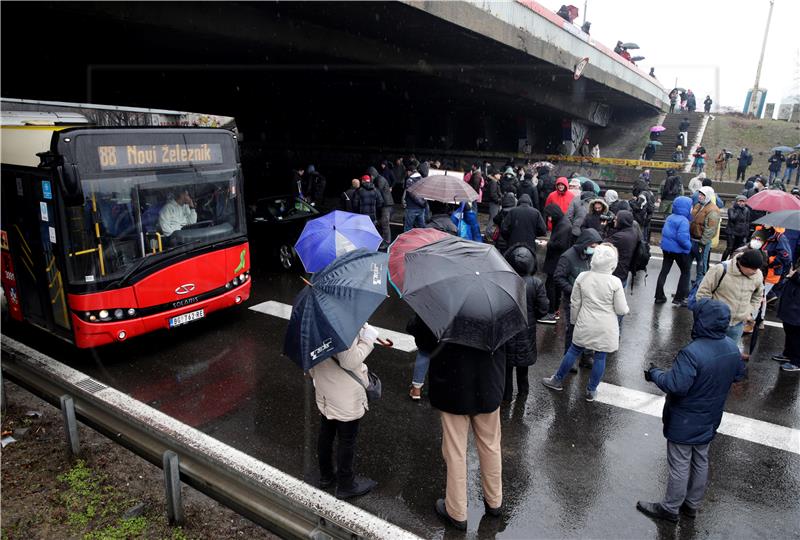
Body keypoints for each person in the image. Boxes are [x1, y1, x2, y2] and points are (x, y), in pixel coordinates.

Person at [636, 299, 746, 523]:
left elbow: (676, 385)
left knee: (679, 463)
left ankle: (670, 508)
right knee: (701, 460)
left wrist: (655, 373)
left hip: (685, 418)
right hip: (711, 416)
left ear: (702, 320)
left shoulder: (692, 353)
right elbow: (738, 375)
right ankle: (691, 505)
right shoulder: (731, 347)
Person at [430, 342, 505, 530]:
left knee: (455, 451)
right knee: (491, 446)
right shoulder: (498, 312)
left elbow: (424, 339)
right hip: (489, 379)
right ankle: (494, 501)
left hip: (452, 382)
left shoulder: (444, 311)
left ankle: (456, 511)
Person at [541, 243, 629, 401]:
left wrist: (574, 322)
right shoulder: (615, 282)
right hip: (606, 326)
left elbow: (575, 303)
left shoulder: (583, 277)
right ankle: (591, 390)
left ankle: (557, 379)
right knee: (600, 357)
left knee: (573, 351)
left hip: (585, 322)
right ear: (612, 263)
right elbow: (622, 309)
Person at [310, 324, 380, 498]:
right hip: (346, 394)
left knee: (326, 432)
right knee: (347, 439)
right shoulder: (341, 324)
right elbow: (349, 361)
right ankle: (346, 485)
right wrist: (368, 338)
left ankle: (326, 476)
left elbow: (310, 363)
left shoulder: (311, 324)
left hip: (325, 389)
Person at [502, 243, 549, 401]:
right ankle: (523, 394)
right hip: (526, 329)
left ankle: (506, 397)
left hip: (507, 330)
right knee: (523, 368)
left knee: (506, 368)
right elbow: (543, 308)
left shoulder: (505, 280)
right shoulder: (536, 283)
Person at [696, 249, 763, 351]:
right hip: (715, 323)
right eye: (753, 269)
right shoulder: (721, 269)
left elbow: (758, 296)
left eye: (757, 269)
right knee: (708, 352)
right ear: (742, 264)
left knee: (728, 354)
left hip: (737, 325)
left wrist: (748, 311)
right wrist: (710, 315)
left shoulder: (757, 274)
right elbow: (703, 293)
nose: (755, 271)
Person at [554, 228, 603, 357]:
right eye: (592, 246)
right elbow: (558, 277)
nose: (594, 249)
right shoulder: (568, 257)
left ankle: (586, 356)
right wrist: (574, 290)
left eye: (596, 246)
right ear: (585, 243)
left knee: (589, 329)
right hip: (572, 300)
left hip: (590, 299)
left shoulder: (593, 256)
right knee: (572, 329)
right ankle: (569, 357)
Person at [655, 196, 693, 305]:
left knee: (664, 271)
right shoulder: (684, 220)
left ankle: (659, 296)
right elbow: (682, 238)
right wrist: (688, 246)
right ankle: (679, 298)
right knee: (685, 272)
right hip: (679, 250)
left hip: (667, 249)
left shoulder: (670, 217)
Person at [540, 204, 572, 324]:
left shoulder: (563, 225)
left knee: (551, 286)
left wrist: (546, 244)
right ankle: (555, 310)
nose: (548, 219)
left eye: (549, 216)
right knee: (555, 286)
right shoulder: (562, 222)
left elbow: (560, 245)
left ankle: (551, 312)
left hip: (556, 260)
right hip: (557, 260)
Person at [689, 186, 720, 286]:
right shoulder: (698, 205)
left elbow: (710, 230)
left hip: (701, 242)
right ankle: (687, 288)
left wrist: (702, 242)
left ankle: (698, 288)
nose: (700, 196)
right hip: (692, 239)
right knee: (687, 265)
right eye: (700, 194)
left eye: (703, 195)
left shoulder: (713, 210)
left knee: (701, 266)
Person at [774, 264, 800, 372]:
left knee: (796, 333)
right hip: (792, 300)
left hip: (797, 305)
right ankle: (788, 354)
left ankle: (797, 361)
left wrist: (794, 276)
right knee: (789, 328)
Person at [605, 210, 640, 288]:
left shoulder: (620, 237)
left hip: (616, 274)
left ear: (622, 221)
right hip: (624, 272)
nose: (614, 220)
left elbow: (601, 246)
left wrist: (603, 228)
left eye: (616, 219)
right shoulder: (633, 232)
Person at [407, 314, 437, 400]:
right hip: (448, 328)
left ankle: (416, 389)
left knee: (424, 353)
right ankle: (439, 390)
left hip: (429, 322)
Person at [367, 166, 393, 245]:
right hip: (384, 204)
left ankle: (387, 242)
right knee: (382, 223)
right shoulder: (378, 179)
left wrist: (369, 187)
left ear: (372, 175)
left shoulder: (380, 180)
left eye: (370, 176)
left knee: (385, 223)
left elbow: (378, 191)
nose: (370, 178)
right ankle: (383, 239)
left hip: (386, 205)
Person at [721, 196, 751, 260]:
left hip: (741, 233)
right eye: (740, 201)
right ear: (736, 202)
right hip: (732, 232)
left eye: (743, 201)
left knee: (736, 249)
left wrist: (746, 233)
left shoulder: (746, 210)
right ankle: (723, 260)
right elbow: (732, 218)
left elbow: (747, 222)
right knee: (729, 248)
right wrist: (738, 210)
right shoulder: (732, 209)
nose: (741, 203)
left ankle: (731, 261)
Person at [403, 166, 427, 231]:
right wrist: (424, 203)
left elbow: (413, 195)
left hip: (411, 208)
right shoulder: (423, 179)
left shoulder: (409, 180)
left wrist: (421, 203)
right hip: (421, 209)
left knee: (408, 229)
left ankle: (407, 241)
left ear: (409, 172)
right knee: (421, 229)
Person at [484, 171, 503, 238]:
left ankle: (488, 233)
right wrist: (498, 200)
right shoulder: (493, 182)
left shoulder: (495, 182)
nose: (500, 175)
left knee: (492, 218)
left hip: (495, 203)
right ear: (495, 175)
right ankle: (487, 234)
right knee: (492, 219)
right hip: (494, 203)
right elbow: (493, 194)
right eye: (499, 174)